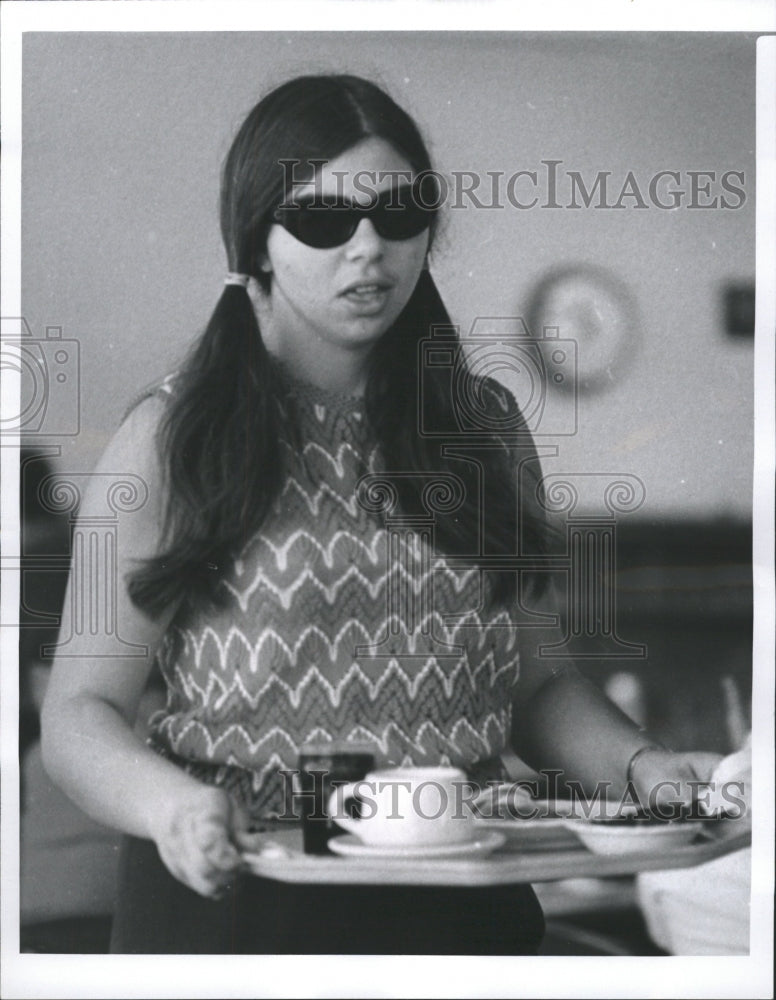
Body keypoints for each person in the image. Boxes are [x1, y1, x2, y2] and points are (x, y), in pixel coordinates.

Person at [41, 74, 722, 955]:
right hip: (247, 897)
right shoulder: (166, 440)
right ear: (255, 243)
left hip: (462, 899)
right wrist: (172, 808)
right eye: (323, 221)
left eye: (398, 216)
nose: (368, 247)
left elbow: (541, 686)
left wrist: (645, 770)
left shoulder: (485, 429)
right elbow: (78, 714)